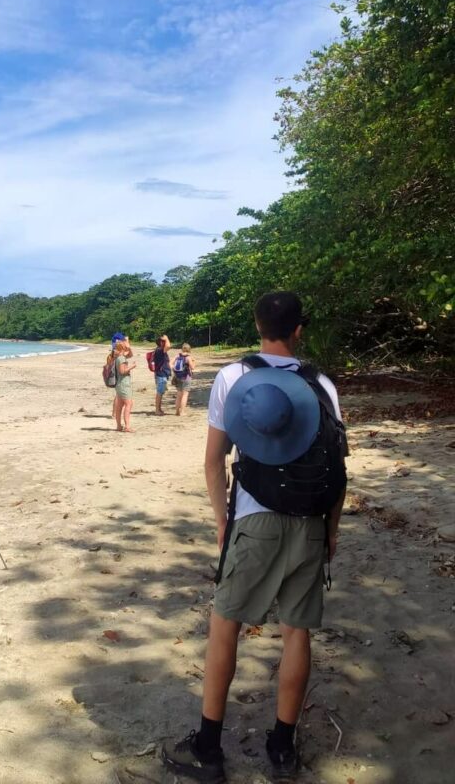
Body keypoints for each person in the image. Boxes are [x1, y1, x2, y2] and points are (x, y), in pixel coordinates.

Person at [161, 292, 347, 782]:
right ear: (298, 330)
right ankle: (282, 748)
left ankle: (208, 746)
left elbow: (213, 460)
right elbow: (337, 467)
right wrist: (331, 532)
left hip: (254, 520)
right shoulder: (322, 384)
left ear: (258, 325)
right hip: (309, 519)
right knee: (296, 633)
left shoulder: (234, 377)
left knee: (225, 624)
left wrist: (224, 522)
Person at [113, 338, 136, 433]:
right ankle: (127, 426)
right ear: (123, 347)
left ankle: (119, 426)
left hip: (119, 384)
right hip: (124, 384)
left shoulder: (119, 356)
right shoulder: (121, 358)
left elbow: (130, 354)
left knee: (120, 405)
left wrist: (129, 348)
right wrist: (132, 366)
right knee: (128, 404)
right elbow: (122, 371)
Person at [173, 343, 195, 416]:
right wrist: (194, 361)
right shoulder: (188, 357)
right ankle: (182, 412)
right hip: (186, 377)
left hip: (177, 376)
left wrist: (174, 370)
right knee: (185, 395)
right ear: (189, 349)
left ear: (182, 349)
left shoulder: (177, 356)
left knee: (179, 395)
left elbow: (170, 363)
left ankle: (177, 411)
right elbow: (192, 367)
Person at [153, 334, 171, 415]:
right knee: (159, 392)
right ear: (160, 342)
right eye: (163, 341)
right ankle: (157, 410)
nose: (165, 343)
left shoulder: (158, 350)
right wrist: (167, 338)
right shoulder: (160, 350)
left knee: (160, 392)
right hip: (161, 374)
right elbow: (168, 346)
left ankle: (159, 409)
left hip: (161, 373)